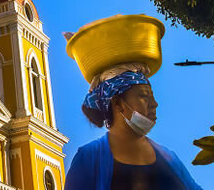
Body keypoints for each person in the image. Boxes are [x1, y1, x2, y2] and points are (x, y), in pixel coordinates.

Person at [64, 62, 203, 190]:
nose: (154, 104)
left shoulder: (170, 158)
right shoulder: (89, 158)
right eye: (144, 96)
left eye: (152, 97)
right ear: (118, 104)